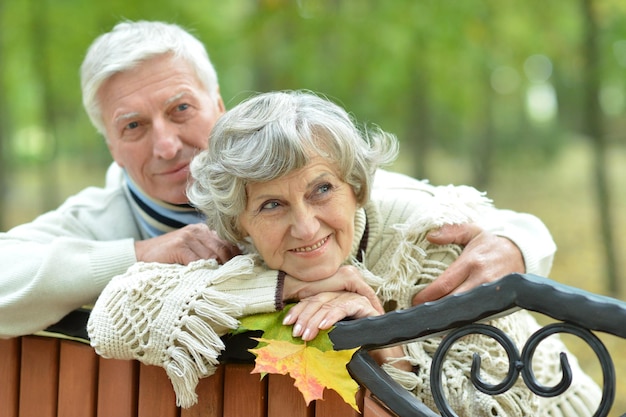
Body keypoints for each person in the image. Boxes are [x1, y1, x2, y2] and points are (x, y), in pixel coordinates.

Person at [0, 20, 554, 339]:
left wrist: (515, 244)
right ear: (111, 144)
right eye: (134, 126)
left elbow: (486, 221)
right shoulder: (98, 218)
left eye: (181, 109)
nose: (166, 144)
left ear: (217, 104)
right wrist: (142, 254)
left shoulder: (306, 181)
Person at [87, 90, 600, 415]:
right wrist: (281, 287)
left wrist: (384, 340)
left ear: (356, 186)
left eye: (321, 190)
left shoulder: (436, 243)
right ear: (237, 224)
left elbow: (487, 408)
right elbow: (113, 319)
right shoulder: (248, 258)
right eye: (270, 205)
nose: (304, 226)